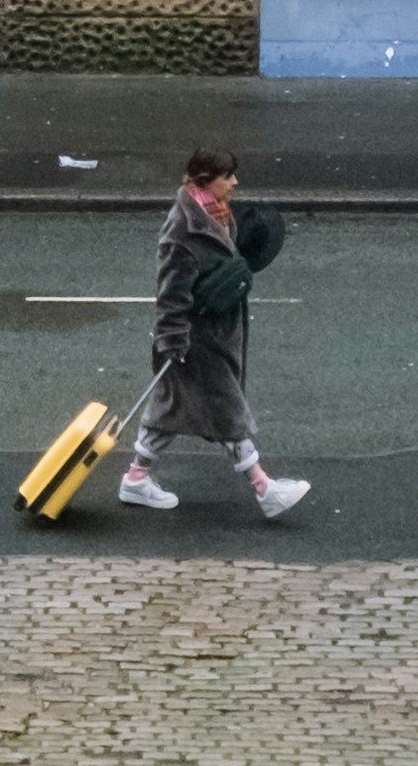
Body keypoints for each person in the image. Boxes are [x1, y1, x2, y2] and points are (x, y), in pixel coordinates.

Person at [115, 148, 311, 517]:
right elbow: (170, 294)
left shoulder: (212, 212)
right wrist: (173, 341)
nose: (235, 182)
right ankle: (265, 489)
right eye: (228, 176)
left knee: (170, 410)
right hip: (197, 341)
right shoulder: (181, 231)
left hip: (209, 335)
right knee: (226, 410)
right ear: (207, 180)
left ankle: (136, 479)